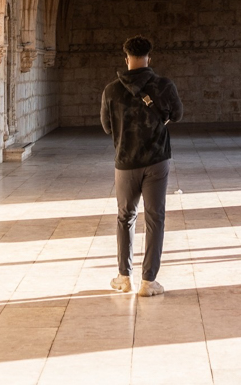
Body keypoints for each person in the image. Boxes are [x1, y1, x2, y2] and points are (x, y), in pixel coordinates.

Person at [100, 34, 183, 297]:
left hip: (125, 162)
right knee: (155, 218)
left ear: (126, 58)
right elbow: (178, 115)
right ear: (149, 57)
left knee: (125, 217)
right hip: (157, 160)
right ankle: (149, 281)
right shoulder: (164, 85)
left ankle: (124, 278)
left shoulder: (111, 90)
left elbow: (106, 127)